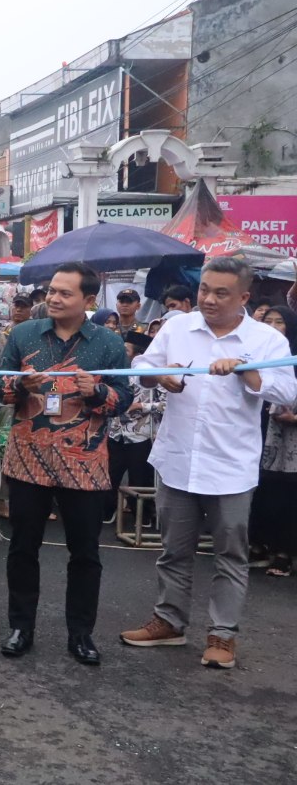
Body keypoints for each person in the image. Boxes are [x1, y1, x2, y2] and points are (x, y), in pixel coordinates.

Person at [120, 258, 297, 669]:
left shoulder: (266, 340)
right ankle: (169, 621)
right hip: (177, 458)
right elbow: (141, 366)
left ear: (244, 297)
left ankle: (223, 635)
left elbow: (287, 391)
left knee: (230, 555)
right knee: (173, 550)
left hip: (230, 467)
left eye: (221, 293)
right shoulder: (178, 327)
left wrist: (248, 374)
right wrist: (160, 375)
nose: (209, 299)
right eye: (204, 289)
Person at [0, 262, 132, 666]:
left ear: (89, 300)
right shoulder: (23, 334)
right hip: (28, 460)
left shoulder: (108, 343)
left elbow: (123, 400)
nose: (53, 298)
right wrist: (19, 385)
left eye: (64, 293)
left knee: (85, 553)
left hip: (84, 463)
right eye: (52, 290)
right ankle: (20, 627)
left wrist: (97, 391)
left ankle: (81, 634)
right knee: (23, 548)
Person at [250, 306, 297, 578]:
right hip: (260, 433)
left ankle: (284, 552)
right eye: (268, 322)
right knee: (261, 491)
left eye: (280, 322)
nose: (273, 327)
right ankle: (258, 544)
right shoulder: (254, 352)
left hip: (290, 442)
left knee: (286, 496)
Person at [106, 330, 163, 527]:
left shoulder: (152, 374)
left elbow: (166, 404)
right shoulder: (115, 371)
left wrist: (142, 406)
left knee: (139, 477)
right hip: (116, 431)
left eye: (126, 350)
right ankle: (107, 510)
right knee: (110, 473)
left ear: (138, 354)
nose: (122, 353)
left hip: (141, 434)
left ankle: (143, 515)